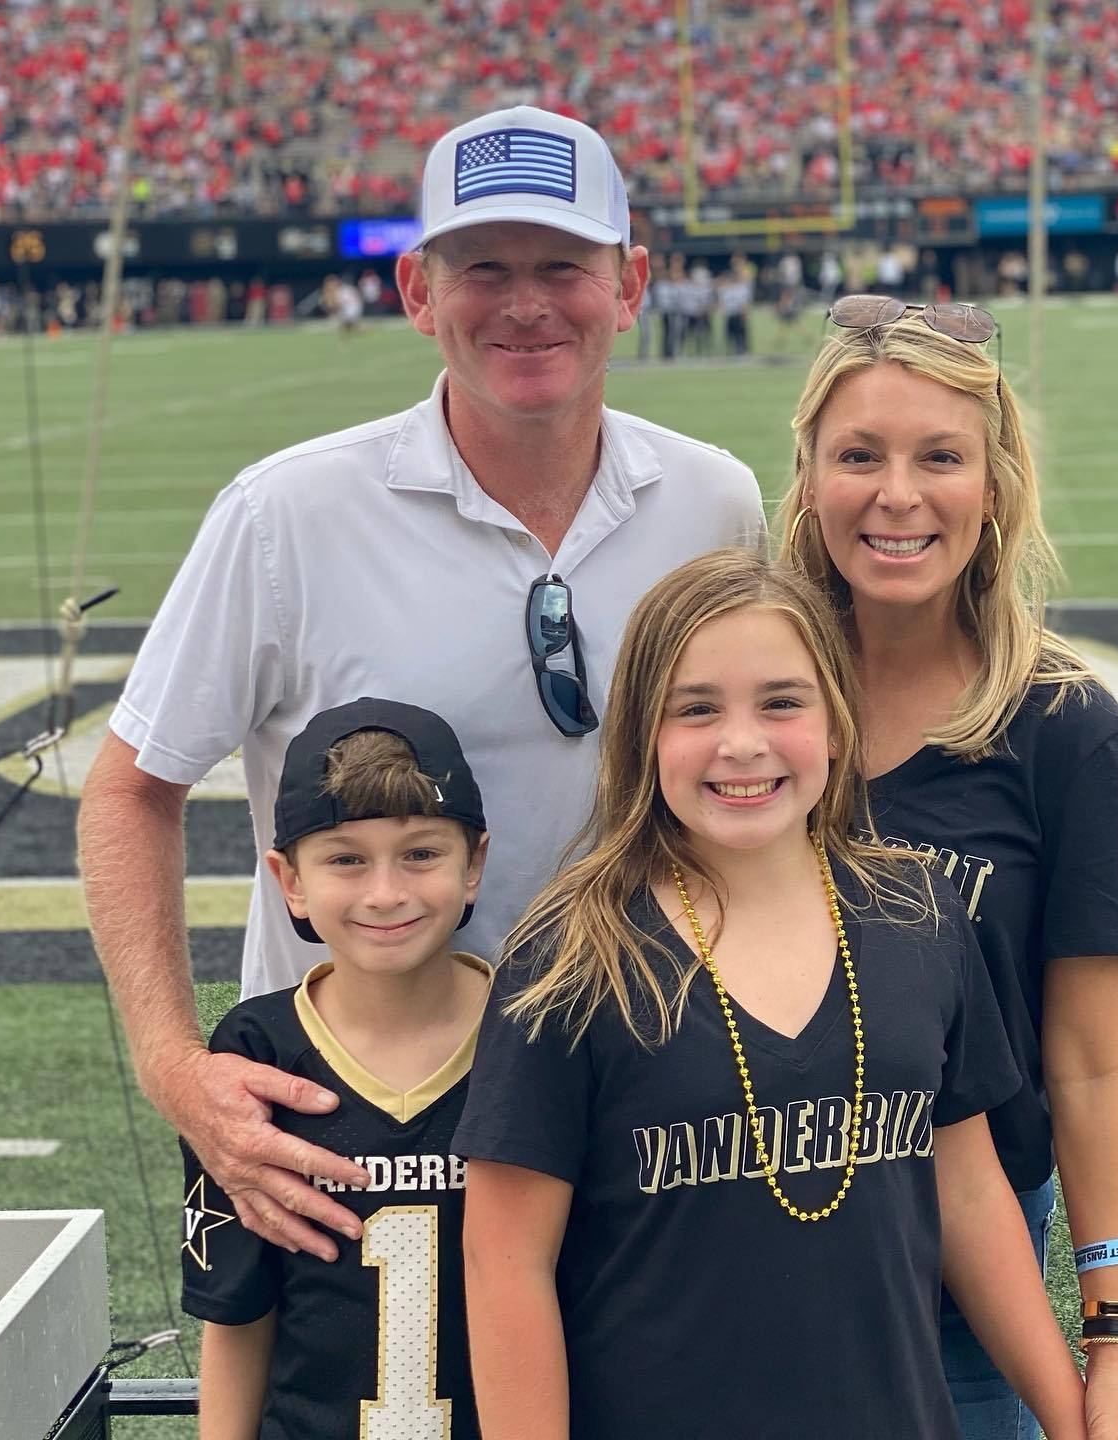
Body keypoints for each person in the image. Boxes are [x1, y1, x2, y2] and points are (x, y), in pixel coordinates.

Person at [78, 104, 764, 1262]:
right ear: (415, 292)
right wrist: (175, 1067)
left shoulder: (714, 502)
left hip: (641, 1085)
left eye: (564, 266)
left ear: (633, 283)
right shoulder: (287, 514)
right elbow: (128, 788)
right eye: (482, 268)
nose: (526, 303)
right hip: (361, 1121)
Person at [454, 549, 1088, 1440]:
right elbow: (505, 1260)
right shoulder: (572, 959)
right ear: (642, 735)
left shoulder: (921, 916)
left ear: (837, 723)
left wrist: (1072, 1414)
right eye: (697, 709)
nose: (742, 743)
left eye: (782, 702)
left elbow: (972, 1195)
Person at [776, 297, 1118, 1440]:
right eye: (860, 456)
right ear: (808, 474)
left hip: (970, 1272)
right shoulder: (750, 697)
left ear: (993, 485)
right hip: (731, 1224)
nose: (898, 495)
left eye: (940, 456)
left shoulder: (1067, 731)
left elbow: (1094, 1060)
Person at [182, 698, 490, 1439]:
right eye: (346, 859)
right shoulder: (255, 1051)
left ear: (475, 862)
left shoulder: (541, 1031)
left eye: (421, 853)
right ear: (289, 880)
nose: (385, 892)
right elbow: (239, 1313)